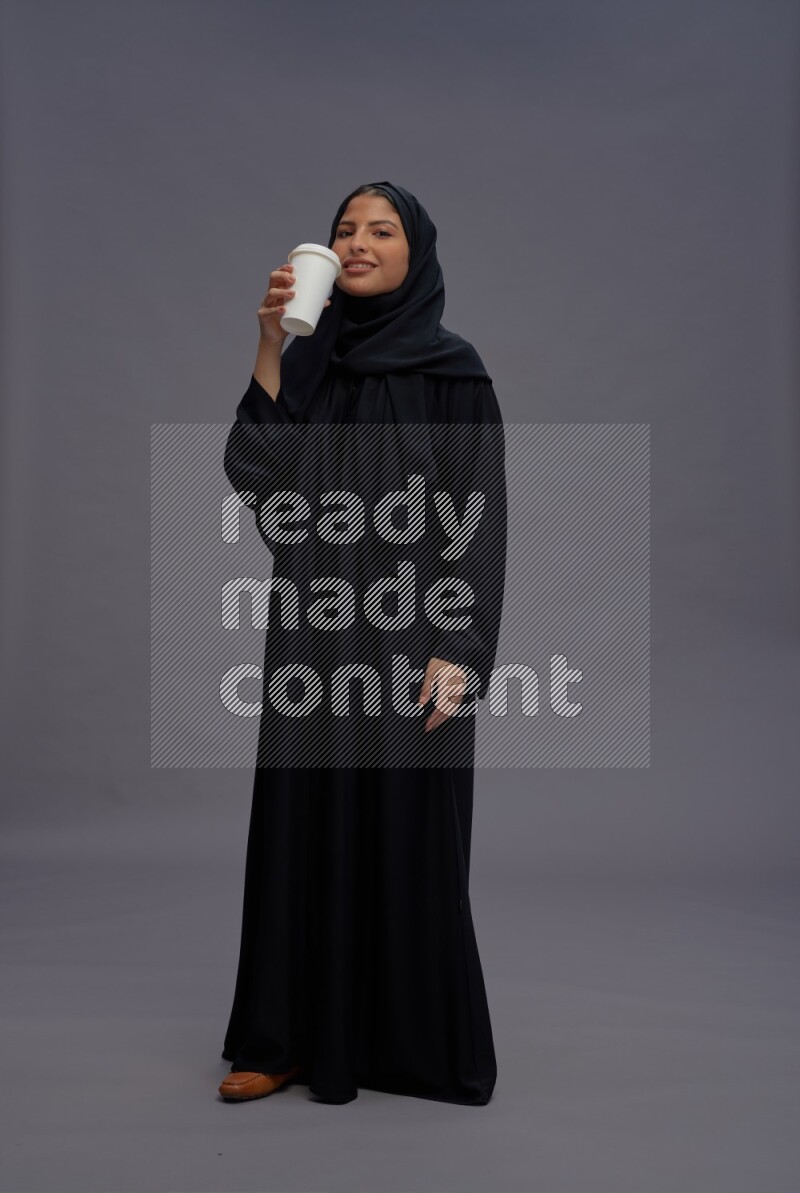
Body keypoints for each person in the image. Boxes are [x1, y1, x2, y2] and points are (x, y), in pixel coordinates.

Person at [218, 181, 507, 1106]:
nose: (357, 242)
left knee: (408, 837)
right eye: (344, 229)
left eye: (380, 230)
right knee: (302, 828)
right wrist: (271, 341)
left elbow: (478, 518)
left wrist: (459, 645)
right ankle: (286, 1039)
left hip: (417, 635)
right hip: (313, 631)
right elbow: (259, 474)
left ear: (415, 251)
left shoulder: (455, 374)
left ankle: (403, 1046)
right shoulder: (314, 362)